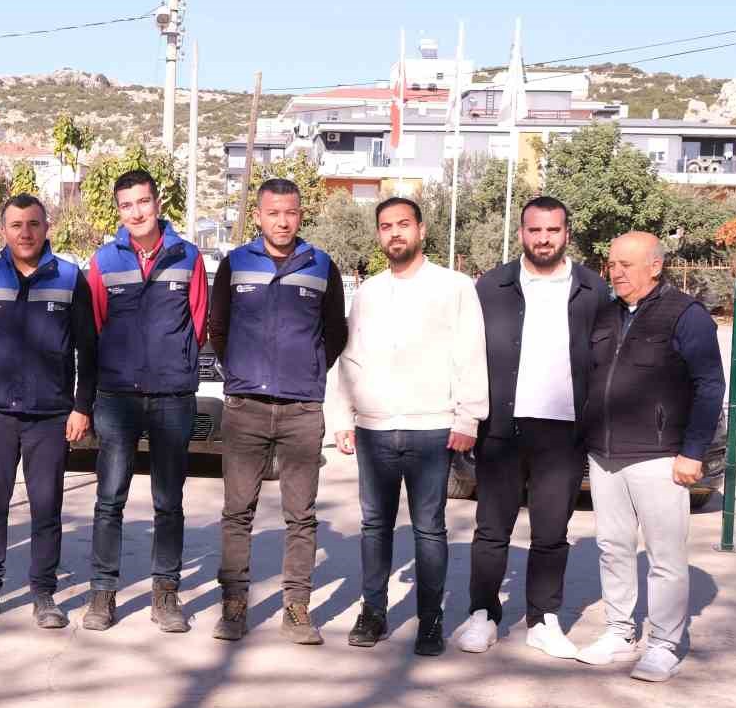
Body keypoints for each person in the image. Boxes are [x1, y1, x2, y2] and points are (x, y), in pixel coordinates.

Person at [331, 197, 487, 657]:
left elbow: (471, 353)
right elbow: (350, 357)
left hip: (432, 427)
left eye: (403, 224)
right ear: (379, 234)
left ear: (421, 229)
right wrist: (341, 415)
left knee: (429, 528)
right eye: (386, 226)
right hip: (375, 428)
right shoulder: (369, 292)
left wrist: (468, 417)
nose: (395, 233)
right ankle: (373, 612)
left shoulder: (454, 287)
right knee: (374, 525)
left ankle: (430, 620)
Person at [458, 197, 611, 658]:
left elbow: (603, 359)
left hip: (563, 433)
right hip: (501, 429)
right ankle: (482, 615)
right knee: (491, 530)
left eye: (553, 230)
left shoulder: (591, 288)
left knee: (551, 533)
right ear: (522, 232)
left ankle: (543, 620)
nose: (544, 239)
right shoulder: (492, 286)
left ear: (567, 233)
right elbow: (467, 354)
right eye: (535, 230)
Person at [205, 178, 347, 644]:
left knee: (301, 515)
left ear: (300, 214)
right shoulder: (235, 264)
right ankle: (234, 605)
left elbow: (335, 332)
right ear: (258, 216)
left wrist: (307, 371)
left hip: (301, 409)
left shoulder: (321, 265)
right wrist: (241, 371)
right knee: (237, 512)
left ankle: (297, 608)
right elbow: (218, 328)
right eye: (273, 213)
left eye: (290, 212)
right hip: (245, 406)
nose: (282, 222)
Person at [578, 231, 722, 682]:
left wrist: (692, 452)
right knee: (612, 547)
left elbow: (709, 386)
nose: (615, 272)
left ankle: (663, 644)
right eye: (611, 264)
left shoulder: (686, 315)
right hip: (605, 455)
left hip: (661, 457)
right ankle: (620, 632)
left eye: (626, 264)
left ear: (655, 266)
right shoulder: (606, 314)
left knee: (664, 556)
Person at [0, 194, 95, 629]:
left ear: (46, 227)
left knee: (46, 507)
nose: (25, 233)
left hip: (50, 415)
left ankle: (43, 593)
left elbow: (89, 349)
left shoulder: (70, 278)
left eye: (33, 224)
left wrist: (81, 407)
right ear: (3, 230)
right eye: (16, 225)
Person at [82, 169, 209, 633]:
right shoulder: (103, 261)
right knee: (109, 500)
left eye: (143, 201)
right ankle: (102, 593)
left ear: (157, 203)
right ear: (119, 211)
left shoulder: (188, 256)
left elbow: (198, 322)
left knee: (168, 502)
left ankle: (166, 595)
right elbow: (95, 323)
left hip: (172, 397)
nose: (136, 212)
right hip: (117, 398)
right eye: (126, 205)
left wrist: (174, 365)